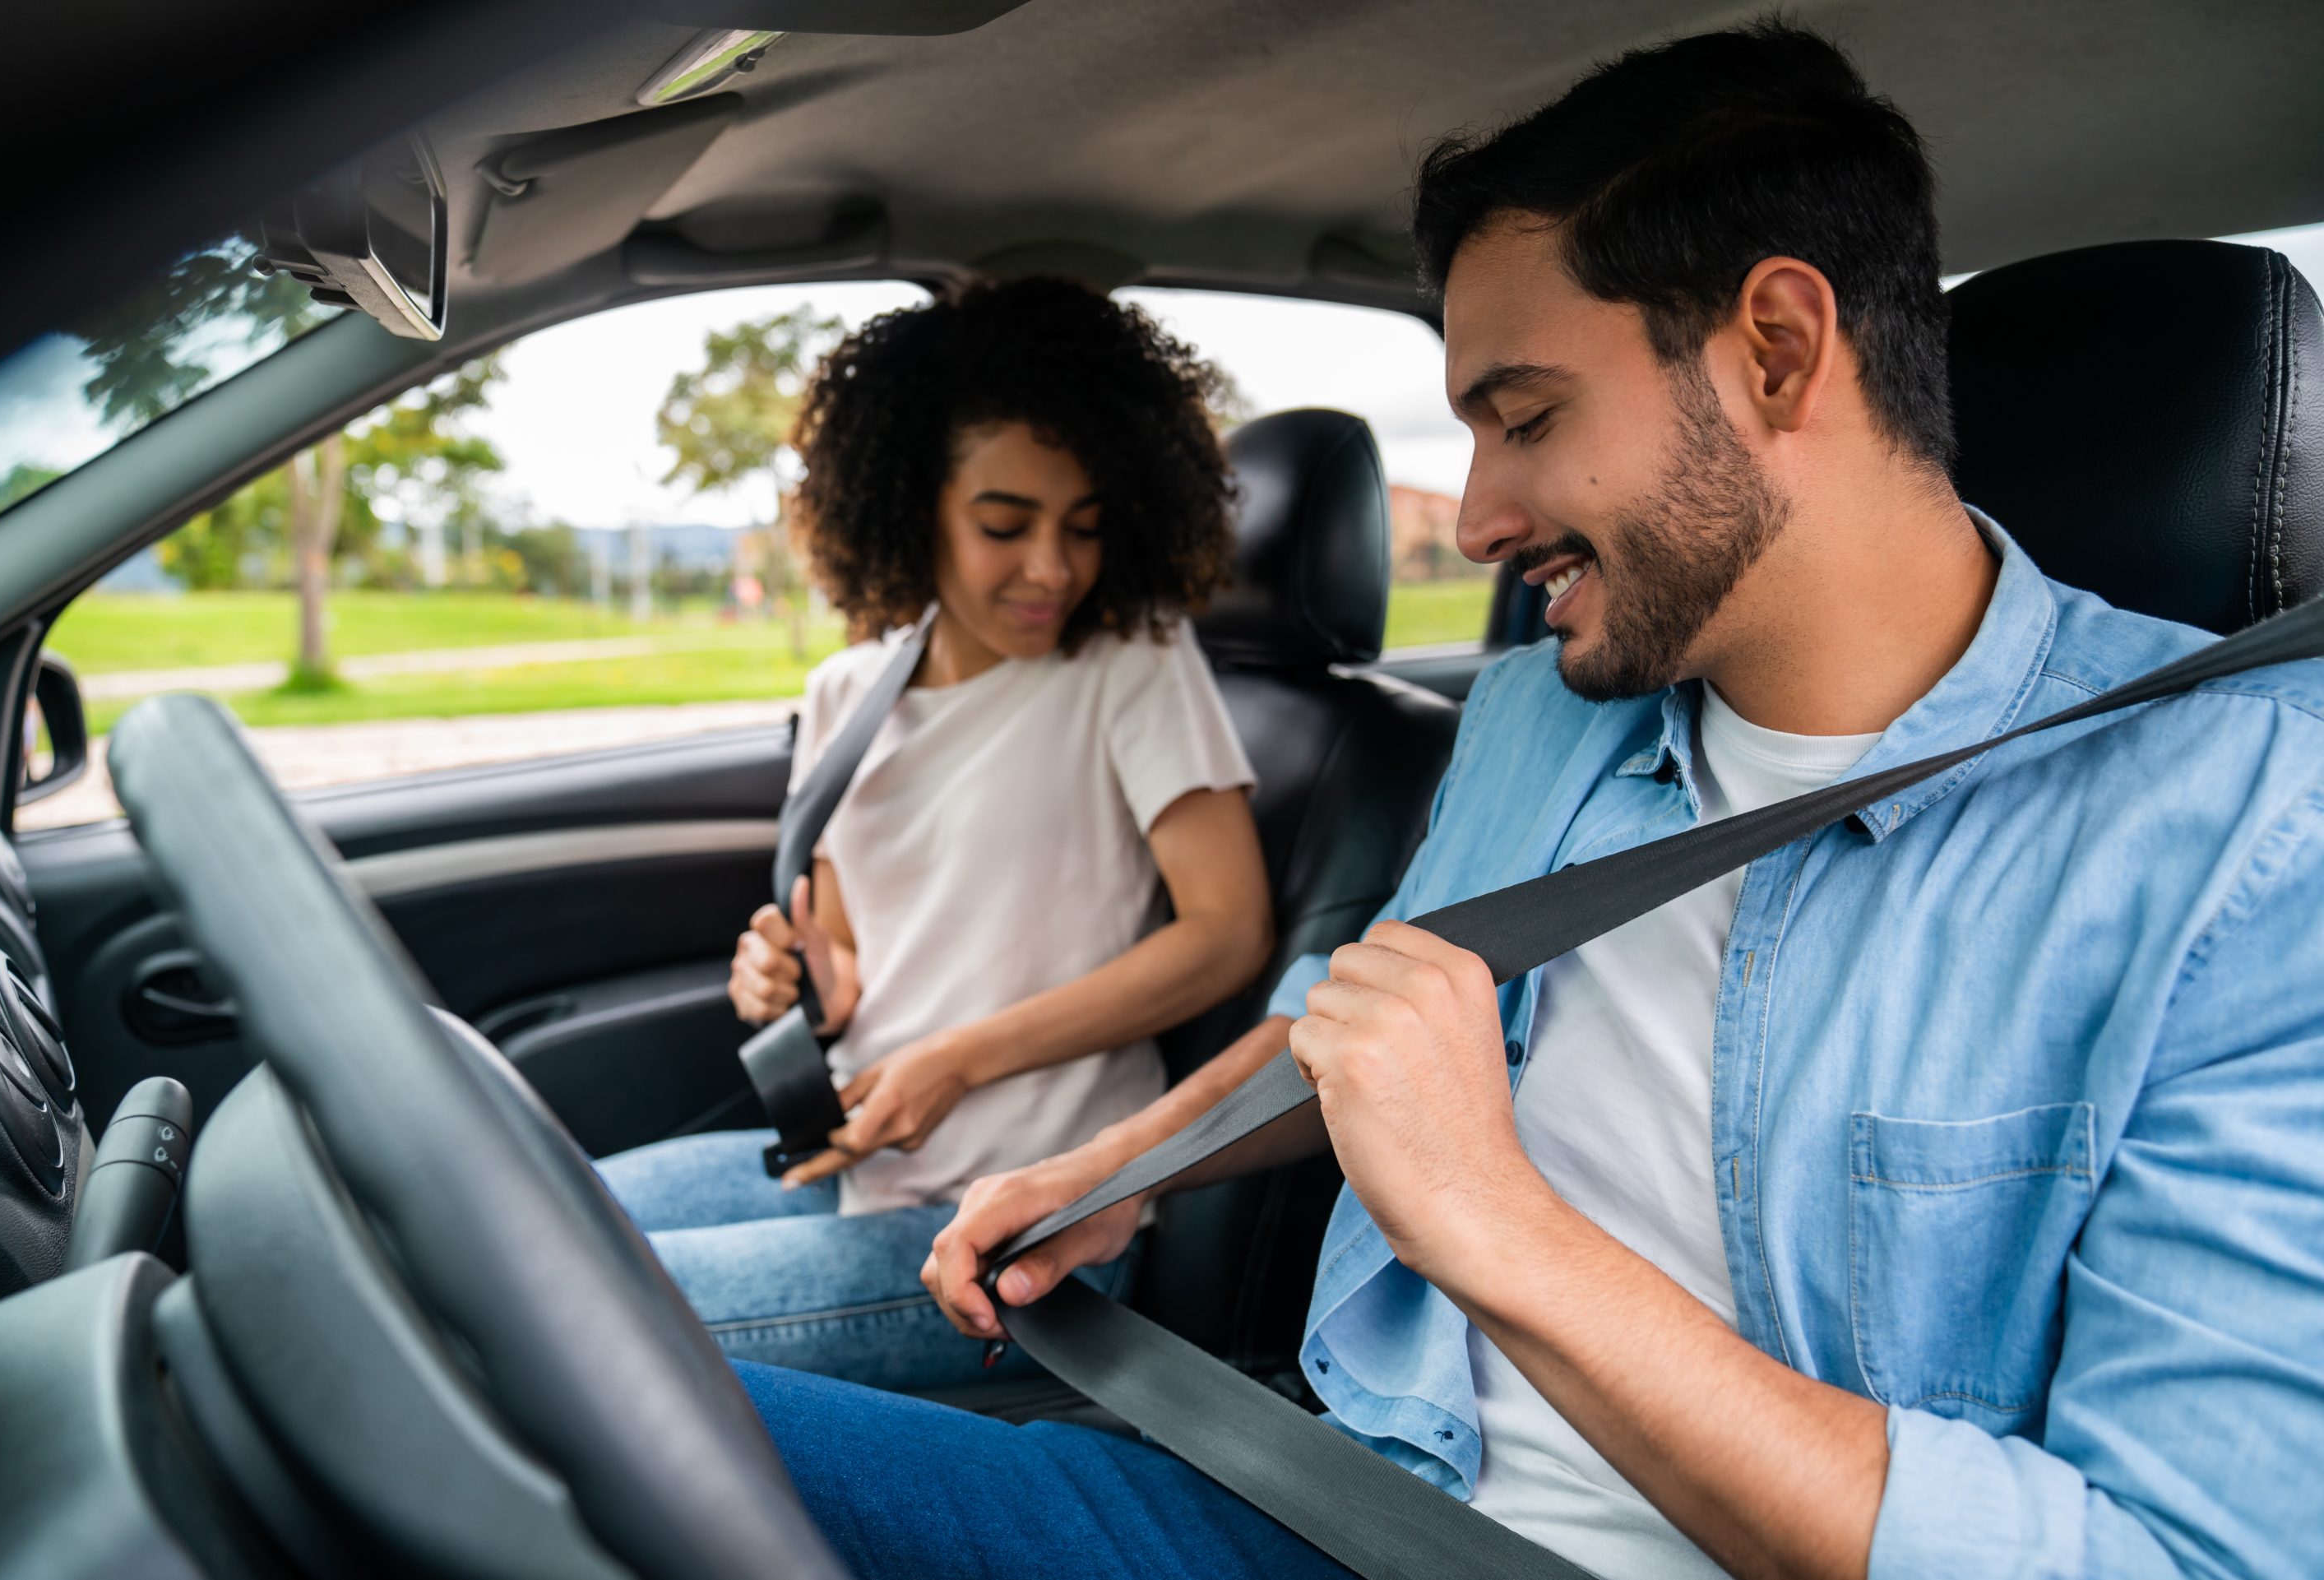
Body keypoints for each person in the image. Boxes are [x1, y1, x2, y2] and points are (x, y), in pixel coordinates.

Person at [715, 21, 2324, 1580]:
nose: (1477, 518)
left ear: (1776, 348)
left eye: (1527, 416)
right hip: (1336, 1484)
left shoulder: (2259, 842)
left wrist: (1489, 1218)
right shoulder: (1544, 718)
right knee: (599, 1415)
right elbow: (1382, 1018)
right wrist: (1120, 1168)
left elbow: (2171, 1556)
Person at [598, 277, 1273, 1393]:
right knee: (514, 1215)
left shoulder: (1132, 666)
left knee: (551, 1309)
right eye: (1004, 524)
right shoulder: (845, 691)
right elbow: (853, 961)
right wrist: (790, 975)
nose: (1051, 567)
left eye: (1085, 526)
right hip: (860, 1166)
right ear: (913, 505)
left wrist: (961, 1059)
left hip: (1033, 1226)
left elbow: (1229, 931)